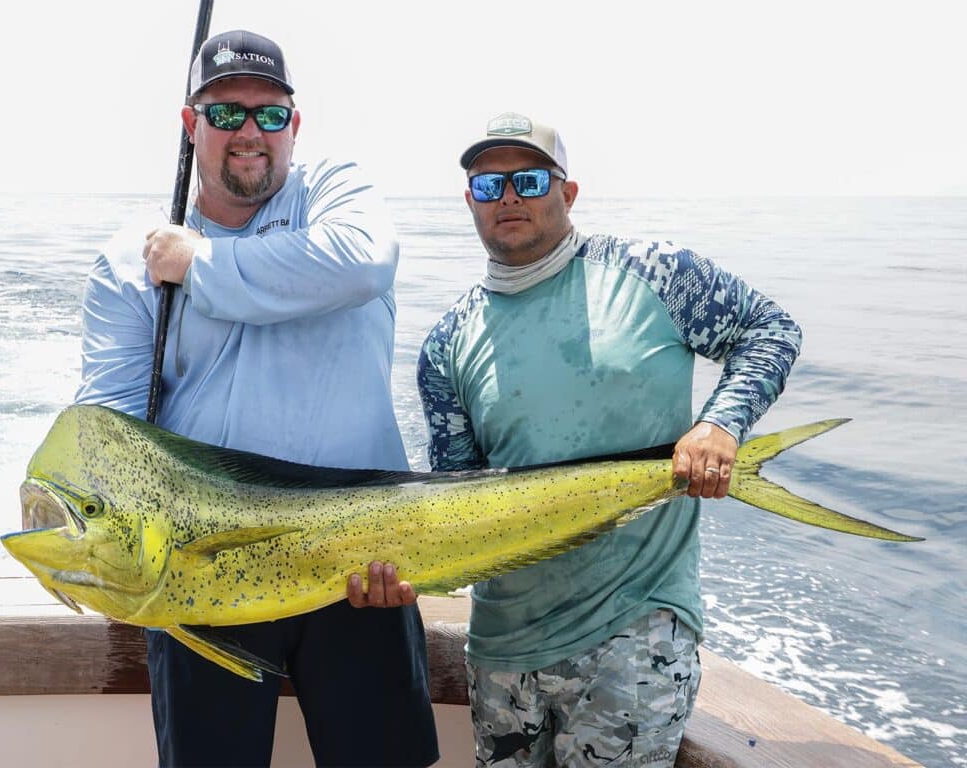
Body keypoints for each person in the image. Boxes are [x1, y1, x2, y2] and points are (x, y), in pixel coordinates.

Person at [76, 29, 438, 768]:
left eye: (270, 114)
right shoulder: (130, 258)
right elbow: (108, 427)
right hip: (206, 570)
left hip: (361, 558)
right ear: (191, 126)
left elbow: (365, 264)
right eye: (225, 112)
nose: (249, 132)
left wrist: (200, 264)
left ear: (294, 126)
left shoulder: (337, 193)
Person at [417, 112, 802, 767]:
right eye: (489, 186)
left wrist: (720, 424)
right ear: (470, 202)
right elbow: (460, 501)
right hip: (504, 649)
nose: (508, 197)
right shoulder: (445, 343)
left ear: (567, 194)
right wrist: (403, 571)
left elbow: (770, 330)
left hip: (634, 633)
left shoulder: (652, 270)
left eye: (529, 180)